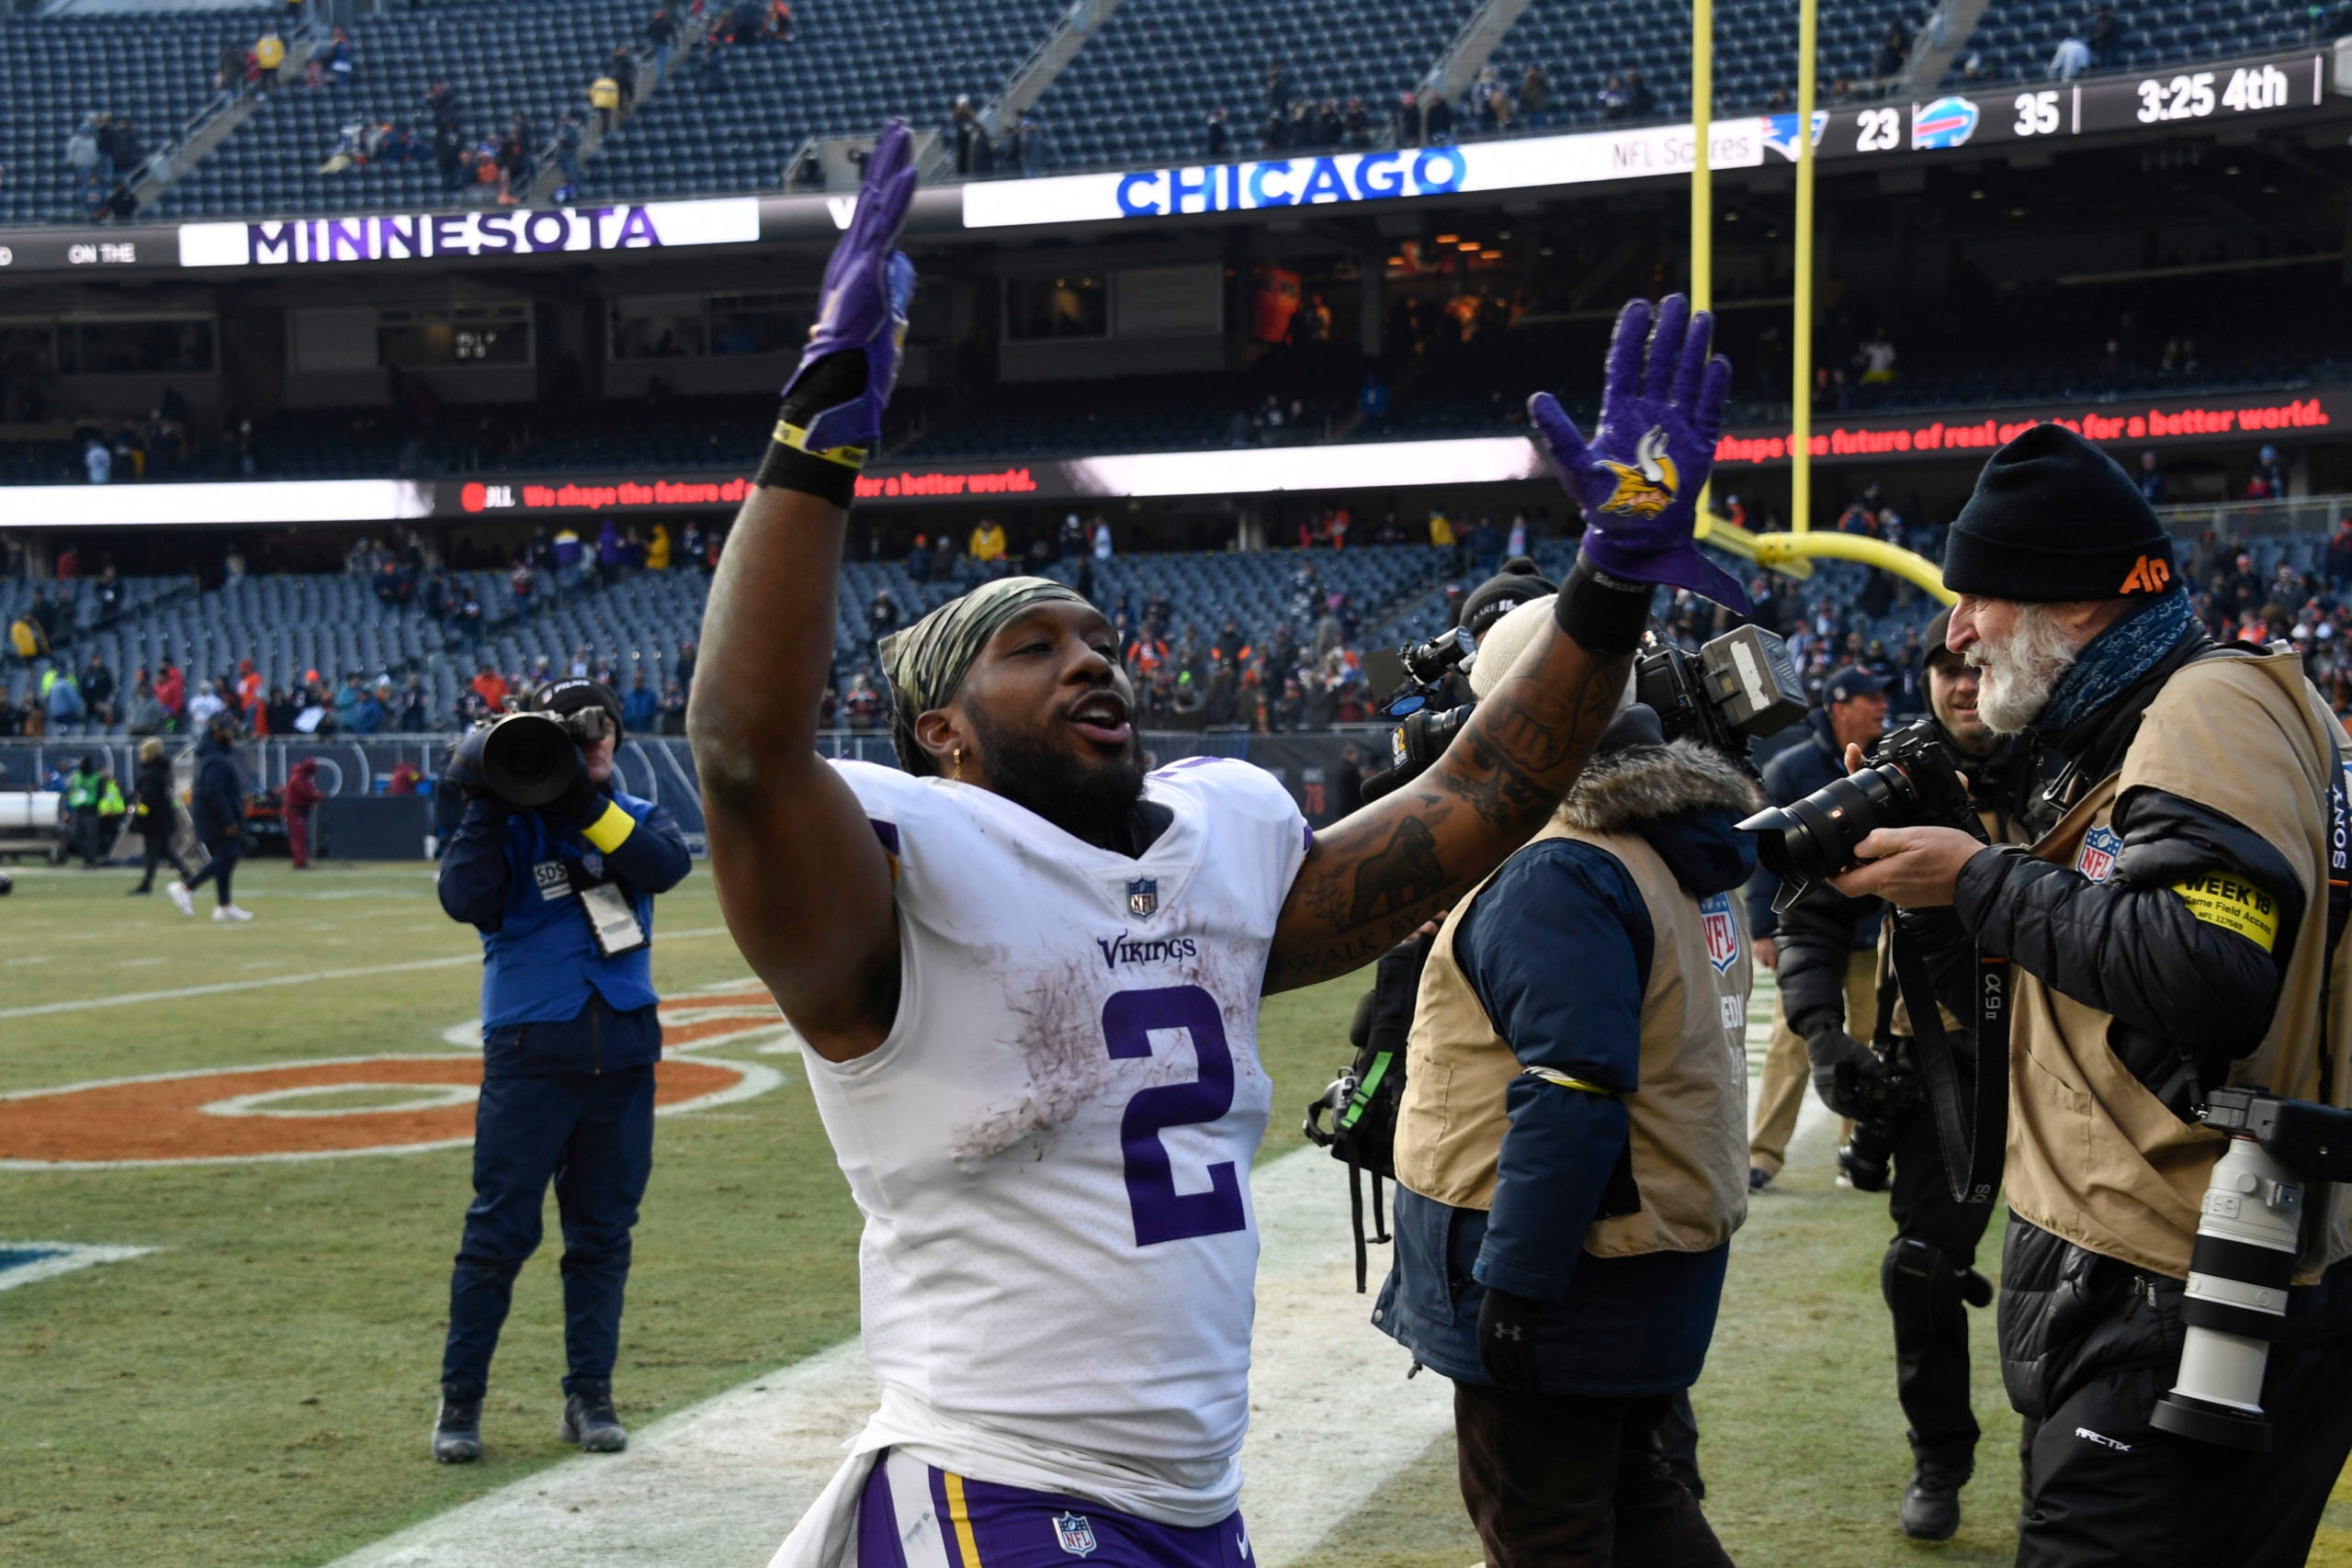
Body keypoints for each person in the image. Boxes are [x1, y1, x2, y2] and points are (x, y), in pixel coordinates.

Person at [687, 125, 1745, 1566]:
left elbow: (1486, 788)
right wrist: (816, 436)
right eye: (1030, 646)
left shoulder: (1215, 842)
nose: (1089, 659)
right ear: (937, 732)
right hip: (995, 1474)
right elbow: (746, 751)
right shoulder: (897, 883)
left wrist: (1608, 582)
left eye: (1101, 636)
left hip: (1189, 1495)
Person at [1829, 423, 2352, 1568]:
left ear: (2073, 604)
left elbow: (2206, 972)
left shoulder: (2205, 709)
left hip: (2171, 1278)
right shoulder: (2189, 711)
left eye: (1980, 598)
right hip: (2203, 1264)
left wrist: (1972, 879)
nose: (1957, 633)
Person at [1376, 598, 1758, 1567]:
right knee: (1638, 1499)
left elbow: (1572, 1087)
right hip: (1645, 1244)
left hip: (1571, 1262)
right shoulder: (1670, 844)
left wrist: (1515, 1279)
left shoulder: (1563, 867)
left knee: (1545, 1528)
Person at [1770, 607, 2024, 1540]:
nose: (1962, 683)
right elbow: (1810, 915)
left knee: (2084, 1272)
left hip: (2067, 1060)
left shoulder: (2070, 765)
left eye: (1978, 664)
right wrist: (1822, 1030)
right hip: (1938, 1060)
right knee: (1919, 1270)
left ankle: (2067, 1463)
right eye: (1943, 668)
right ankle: (1939, 1458)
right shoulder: (1889, 780)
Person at [431, 679, 691, 1464]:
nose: (593, 739)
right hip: (530, 1052)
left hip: (623, 1050)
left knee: (603, 1234)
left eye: (603, 725)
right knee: (498, 1232)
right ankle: (460, 1401)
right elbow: (463, 895)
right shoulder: (506, 828)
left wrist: (575, 797)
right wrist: (494, 790)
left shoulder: (635, 817)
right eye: (576, 733)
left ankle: (590, 1395)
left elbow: (659, 866)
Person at [1746, 664, 1890, 1188]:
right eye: (1870, 697)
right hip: (1808, 928)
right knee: (1794, 1037)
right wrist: (1763, 926)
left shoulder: (1887, 763)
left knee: (1874, 1037)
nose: (1880, 706)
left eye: (1882, 697)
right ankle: (1762, 1155)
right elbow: (1767, 853)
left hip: (1874, 926)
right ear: (1838, 706)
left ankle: (1857, 1151)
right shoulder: (1790, 769)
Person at [167, 714, 254, 922]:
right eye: (228, 729)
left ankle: (225, 906)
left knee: (227, 858)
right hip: (215, 817)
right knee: (227, 856)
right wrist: (229, 820)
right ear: (217, 732)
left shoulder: (214, 756)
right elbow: (216, 793)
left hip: (214, 815)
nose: (231, 733)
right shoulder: (215, 760)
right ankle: (186, 887)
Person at [128, 738, 197, 897]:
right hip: (164, 818)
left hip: (154, 821)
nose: (141, 756)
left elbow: (147, 800)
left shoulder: (151, 775)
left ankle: (147, 884)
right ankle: (186, 873)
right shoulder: (165, 771)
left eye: (143, 753)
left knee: (153, 853)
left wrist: (137, 819)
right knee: (163, 850)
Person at [64, 753, 107, 868]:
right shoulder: (77, 776)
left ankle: (91, 861)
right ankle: (86, 858)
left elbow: (100, 793)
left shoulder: (97, 777)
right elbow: (72, 790)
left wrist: (97, 806)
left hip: (91, 810)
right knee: (76, 835)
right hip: (79, 810)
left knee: (91, 837)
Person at [284, 758, 323, 869]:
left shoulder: (303, 777)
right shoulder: (299, 778)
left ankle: (301, 860)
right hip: (295, 810)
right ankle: (299, 861)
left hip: (299, 811)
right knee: (299, 836)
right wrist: (319, 796)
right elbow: (307, 793)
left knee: (301, 836)